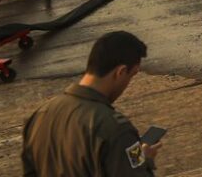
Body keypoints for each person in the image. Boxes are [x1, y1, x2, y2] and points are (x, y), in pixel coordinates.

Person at [22, 31, 160, 176]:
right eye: (131, 76)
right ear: (121, 72)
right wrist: (144, 161)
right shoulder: (115, 129)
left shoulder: (39, 116)